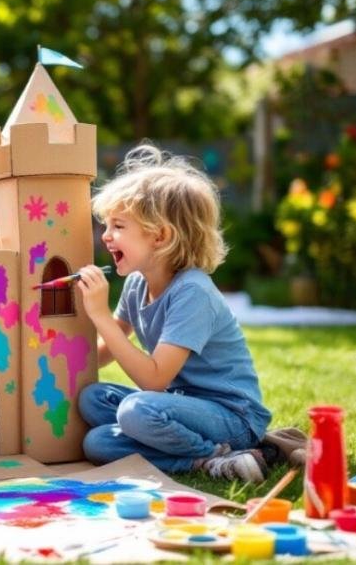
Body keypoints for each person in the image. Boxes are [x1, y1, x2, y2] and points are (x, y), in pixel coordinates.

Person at [75, 144, 272, 483]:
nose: (105, 236)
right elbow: (107, 350)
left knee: (135, 410)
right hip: (179, 407)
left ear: (161, 236)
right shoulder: (137, 283)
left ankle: (213, 458)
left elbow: (153, 380)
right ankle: (200, 455)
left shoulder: (192, 291)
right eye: (106, 225)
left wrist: (100, 316)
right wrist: (50, 362)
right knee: (96, 422)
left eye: (118, 226)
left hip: (233, 417)